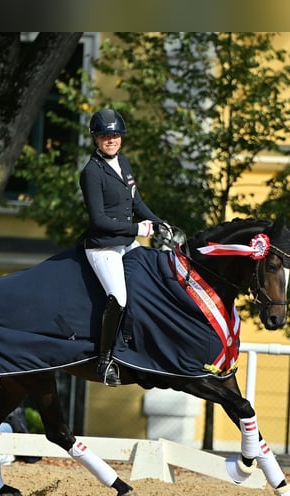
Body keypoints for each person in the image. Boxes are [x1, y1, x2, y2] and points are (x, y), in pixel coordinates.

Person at [79, 108, 171, 386]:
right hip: (103, 248)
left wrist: (158, 222)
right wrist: (137, 229)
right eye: (106, 136)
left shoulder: (125, 163)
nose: (112, 140)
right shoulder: (91, 173)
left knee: (151, 281)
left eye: (116, 135)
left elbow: (136, 204)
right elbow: (99, 221)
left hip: (126, 244)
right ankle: (104, 361)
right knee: (118, 297)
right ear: (96, 139)